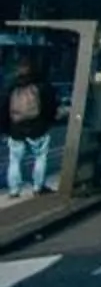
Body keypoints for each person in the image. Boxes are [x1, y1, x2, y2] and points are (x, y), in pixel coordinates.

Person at [5, 55, 61, 201]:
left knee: (15, 160)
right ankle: (38, 187)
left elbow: (3, 107)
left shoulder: (11, 86)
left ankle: (14, 190)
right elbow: (51, 106)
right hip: (38, 128)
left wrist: (6, 128)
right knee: (40, 157)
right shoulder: (42, 85)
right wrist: (49, 121)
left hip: (16, 129)